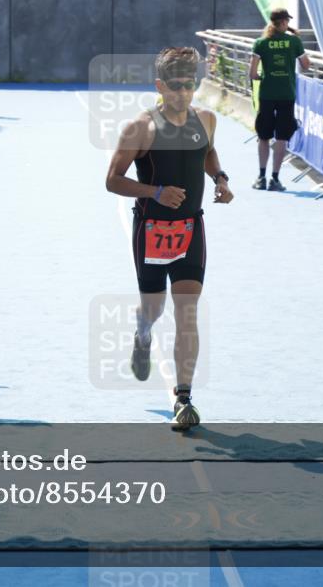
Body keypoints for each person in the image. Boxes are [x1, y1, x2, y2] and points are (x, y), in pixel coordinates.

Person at [104, 47, 233, 430]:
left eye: (189, 85)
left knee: (187, 312)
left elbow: (208, 152)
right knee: (154, 308)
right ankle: (143, 330)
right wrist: (155, 192)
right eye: (175, 86)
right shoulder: (140, 128)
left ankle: (184, 398)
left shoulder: (206, 119)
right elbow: (112, 180)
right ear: (160, 86)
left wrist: (220, 178)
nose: (183, 93)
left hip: (191, 229)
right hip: (151, 230)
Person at [248, 8, 310, 191]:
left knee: (263, 136)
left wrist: (262, 77)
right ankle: (275, 179)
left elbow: (252, 73)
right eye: (287, 21)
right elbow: (306, 65)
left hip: (267, 94)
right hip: (286, 95)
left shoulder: (260, 43)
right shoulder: (293, 41)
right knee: (282, 137)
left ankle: (261, 177)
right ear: (283, 22)